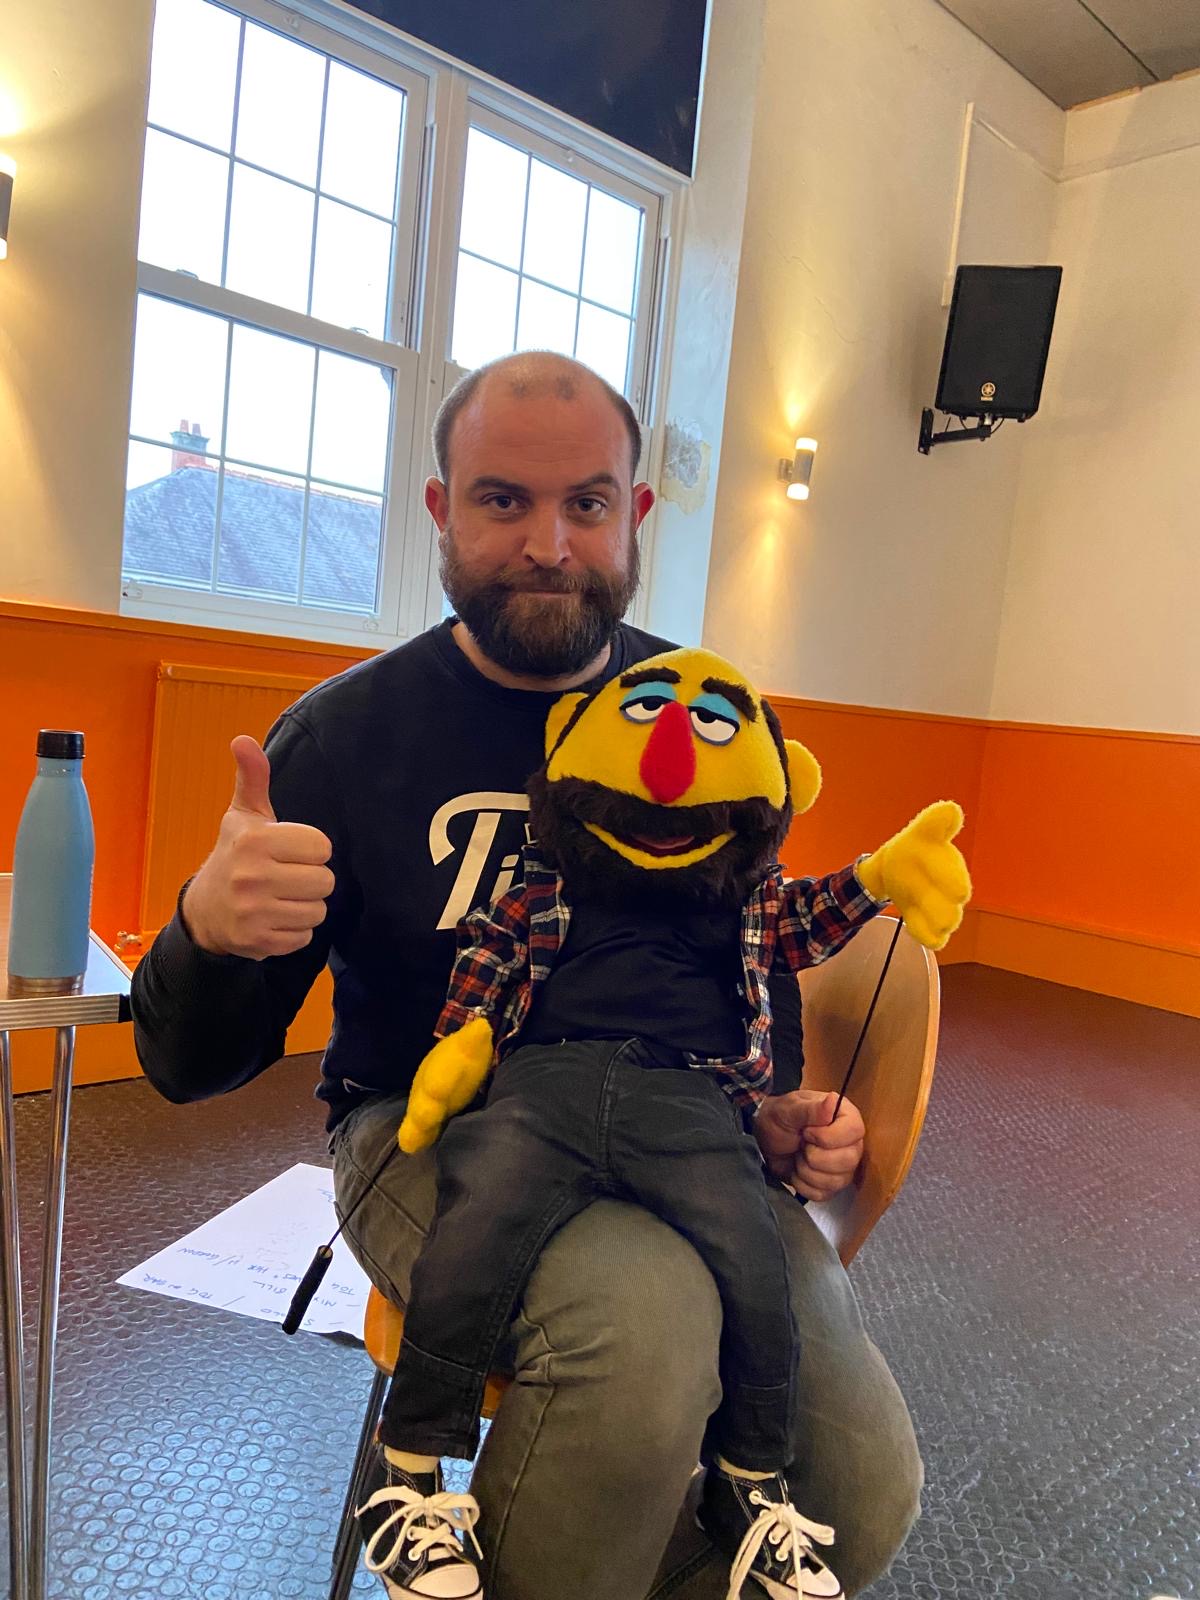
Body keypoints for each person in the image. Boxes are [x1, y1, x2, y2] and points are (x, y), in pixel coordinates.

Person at [132, 351, 923, 1600]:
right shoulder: (345, 737)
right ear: (441, 508)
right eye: (504, 500)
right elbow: (187, 1067)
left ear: (636, 518)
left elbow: (754, 937)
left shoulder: (698, 710)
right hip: (426, 1122)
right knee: (644, 1333)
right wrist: (206, 929)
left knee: (860, 1486)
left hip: (685, 1120)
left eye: (587, 504)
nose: (550, 544)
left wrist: (772, 1106)